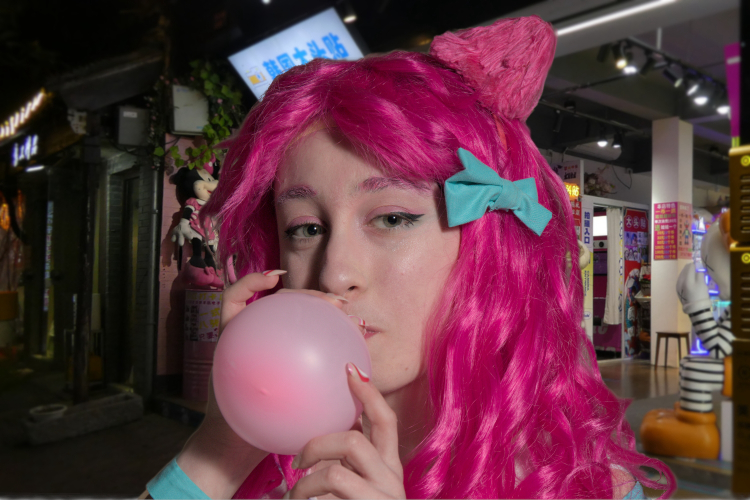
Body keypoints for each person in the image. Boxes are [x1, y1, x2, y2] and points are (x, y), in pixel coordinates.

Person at [145, 16, 675, 499]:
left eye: (393, 219)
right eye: (305, 228)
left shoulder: (587, 488)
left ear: (488, 246)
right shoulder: (271, 466)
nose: (334, 273)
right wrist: (224, 448)